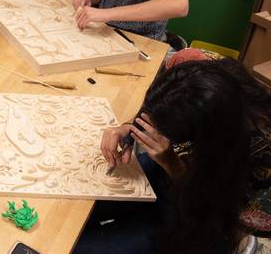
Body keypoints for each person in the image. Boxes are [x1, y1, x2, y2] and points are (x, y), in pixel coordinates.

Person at [76, 58, 271, 253]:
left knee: (81, 248)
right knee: (81, 209)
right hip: (173, 171)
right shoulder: (217, 79)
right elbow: (163, 104)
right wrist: (131, 127)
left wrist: (171, 164)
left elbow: (209, 217)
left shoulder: (260, 171)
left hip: (198, 215)